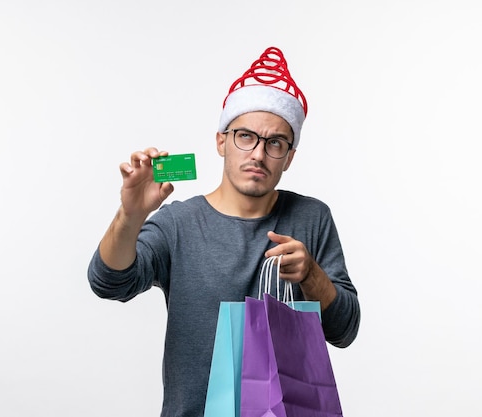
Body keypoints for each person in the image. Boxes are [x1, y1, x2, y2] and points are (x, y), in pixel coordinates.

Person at [87, 46, 361, 417]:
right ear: (222, 141)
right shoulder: (179, 223)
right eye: (246, 136)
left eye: (275, 143)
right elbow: (109, 282)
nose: (258, 155)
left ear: (290, 156)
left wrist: (311, 274)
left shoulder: (311, 218)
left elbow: (344, 330)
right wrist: (130, 215)